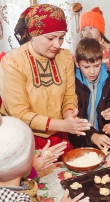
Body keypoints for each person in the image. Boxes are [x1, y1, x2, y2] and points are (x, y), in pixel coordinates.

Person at [0, 4, 91, 153]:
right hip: (23, 138)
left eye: (61, 37)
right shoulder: (12, 63)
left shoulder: (64, 57)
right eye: (50, 38)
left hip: (60, 134)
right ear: (33, 34)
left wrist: (70, 115)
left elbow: (69, 96)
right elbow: (20, 114)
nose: (57, 44)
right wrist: (63, 125)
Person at [68, 38, 110, 150]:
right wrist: (92, 135)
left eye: (96, 65)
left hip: (104, 138)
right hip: (80, 140)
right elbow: (75, 115)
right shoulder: (72, 81)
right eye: (86, 67)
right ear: (77, 63)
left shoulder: (109, 78)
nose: (92, 71)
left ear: (101, 61)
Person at [79, 7, 110, 86]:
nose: (87, 32)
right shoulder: (79, 52)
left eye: (91, 28)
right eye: (84, 29)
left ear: (100, 29)